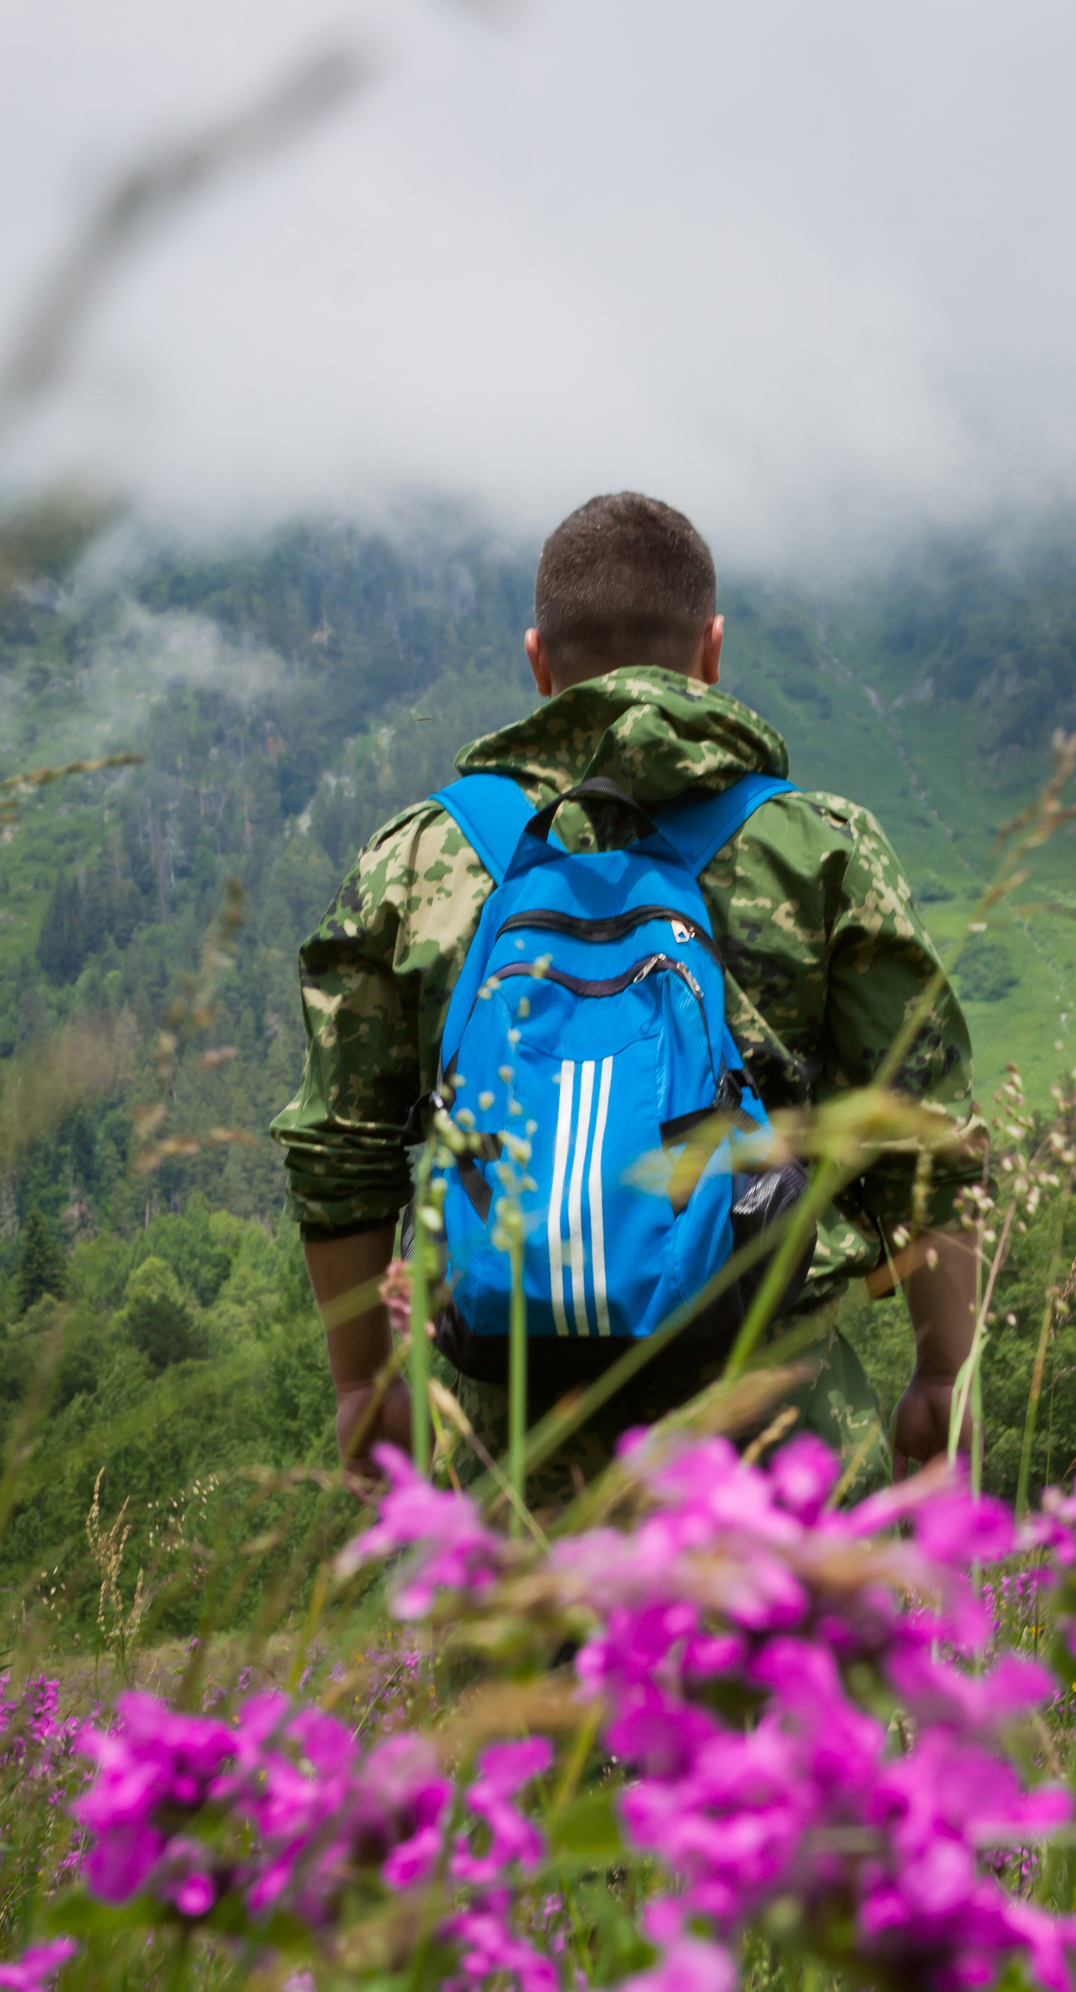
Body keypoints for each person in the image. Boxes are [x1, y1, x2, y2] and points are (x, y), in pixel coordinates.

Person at [271, 493, 984, 1501]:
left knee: (525, 1658)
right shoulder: (813, 848)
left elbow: (337, 1147)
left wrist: (362, 1388)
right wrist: (943, 1371)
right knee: (797, 1658)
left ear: (536, 662)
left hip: (507, 1437)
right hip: (777, 1432)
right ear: (712, 647)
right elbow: (922, 1135)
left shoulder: (422, 859)